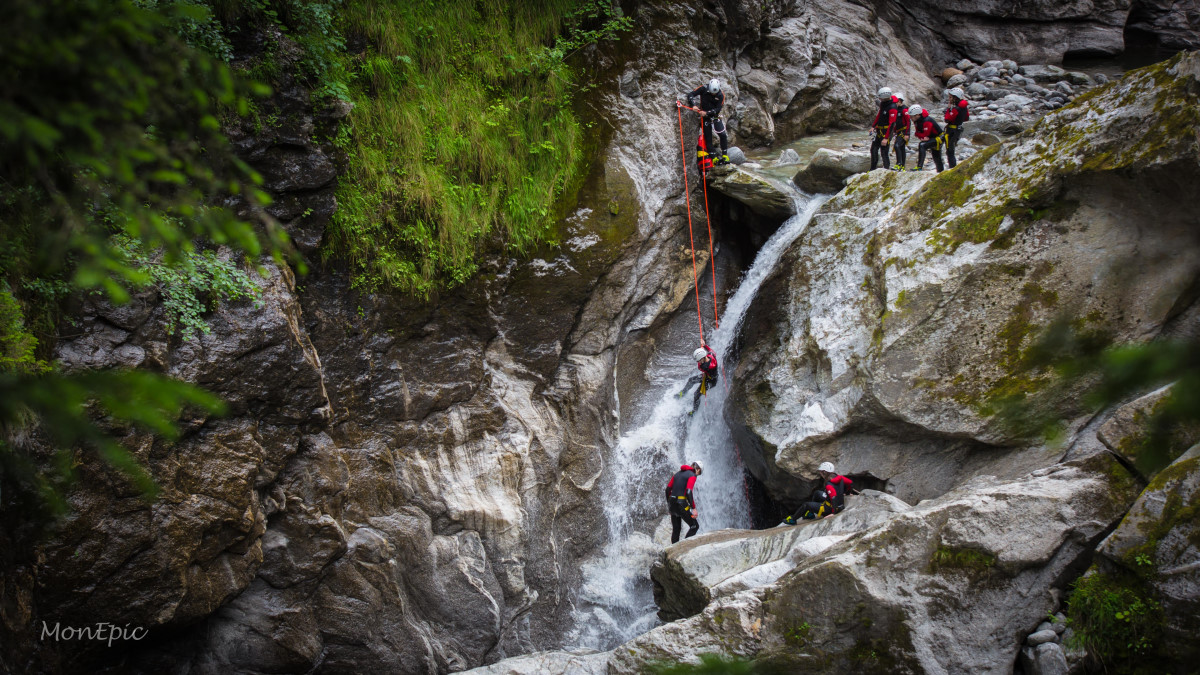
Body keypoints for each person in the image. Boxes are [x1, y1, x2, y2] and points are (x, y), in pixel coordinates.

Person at [686, 79, 729, 166]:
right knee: (708, 138)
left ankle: (725, 155)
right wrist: (693, 105)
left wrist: (707, 113)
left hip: (714, 115)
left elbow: (718, 109)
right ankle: (714, 158)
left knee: (723, 134)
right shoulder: (704, 88)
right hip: (705, 118)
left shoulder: (721, 95)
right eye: (712, 93)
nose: (713, 94)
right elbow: (691, 94)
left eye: (715, 93)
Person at [665, 461, 703, 543]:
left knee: (676, 529)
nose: (698, 475)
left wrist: (669, 505)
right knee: (694, 526)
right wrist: (693, 508)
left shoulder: (677, 474)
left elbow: (667, 490)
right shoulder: (692, 475)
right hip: (681, 503)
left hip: (672, 502)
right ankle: (684, 546)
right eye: (700, 473)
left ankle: (674, 550)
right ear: (698, 469)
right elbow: (689, 491)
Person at [677, 343, 719, 415]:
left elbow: (699, 367)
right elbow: (712, 351)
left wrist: (701, 351)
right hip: (707, 375)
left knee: (696, 394)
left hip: (710, 381)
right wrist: (704, 345)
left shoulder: (706, 366)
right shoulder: (710, 356)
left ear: (702, 358)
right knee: (691, 380)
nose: (698, 362)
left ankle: (694, 411)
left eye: (698, 360)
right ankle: (683, 392)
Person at [911, 105, 946, 173]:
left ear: (917, 115)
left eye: (912, 116)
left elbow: (925, 135)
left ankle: (919, 167)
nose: (911, 118)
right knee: (936, 157)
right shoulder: (917, 121)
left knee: (922, 145)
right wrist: (920, 135)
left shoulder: (927, 120)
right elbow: (917, 134)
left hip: (939, 138)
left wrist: (920, 135)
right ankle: (940, 171)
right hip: (933, 138)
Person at [869, 87, 898, 171]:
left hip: (887, 132)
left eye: (880, 97)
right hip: (879, 130)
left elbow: (892, 124)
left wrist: (886, 138)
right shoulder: (883, 103)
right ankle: (872, 169)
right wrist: (873, 126)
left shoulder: (892, 107)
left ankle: (886, 169)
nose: (879, 99)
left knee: (884, 152)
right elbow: (879, 115)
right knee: (873, 149)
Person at [943, 87, 970, 168]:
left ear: (955, 98)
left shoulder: (956, 108)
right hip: (958, 130)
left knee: (949, 151)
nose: (949, 99)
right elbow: (966, 118)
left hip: (951, 131)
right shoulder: (964, 107)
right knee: (951, 149)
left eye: (951, 97)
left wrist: (948, 109)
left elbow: (947, 119)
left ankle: (952, 167)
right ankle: (953, 166)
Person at [891, 92, 910, 171]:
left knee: (897, 146)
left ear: (900, 101)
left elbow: (908, 122)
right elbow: (897, 122)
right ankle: (902, 166)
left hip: (904, 132)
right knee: (901, 148)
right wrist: (894, 130)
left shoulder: (904, 110)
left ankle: (899, 164)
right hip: (899, 131)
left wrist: (907, 134)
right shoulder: (897, 109)